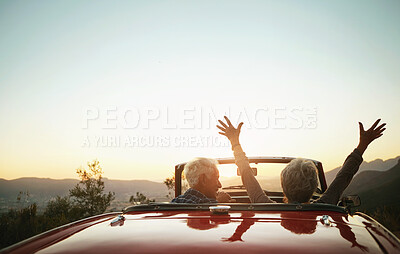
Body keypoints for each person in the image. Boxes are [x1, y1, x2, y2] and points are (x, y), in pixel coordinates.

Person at [217, 116, 386, 205]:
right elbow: (344, 176)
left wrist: (235, 142)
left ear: (283, 186)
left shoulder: (263, 204)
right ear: (314, 188)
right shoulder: (326, 203)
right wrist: (362, 145)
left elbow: (246, 173)